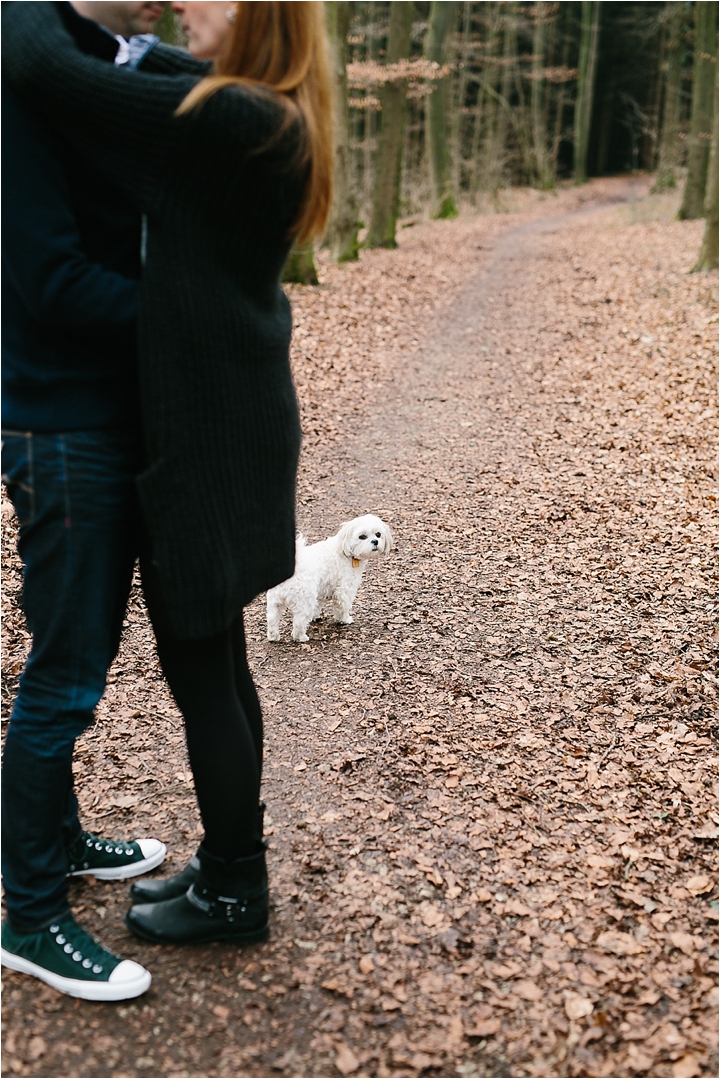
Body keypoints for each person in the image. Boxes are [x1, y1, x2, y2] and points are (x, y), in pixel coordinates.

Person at [2, 0, 334, 955]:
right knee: (218, 666)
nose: (183, 1)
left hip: (206, 441)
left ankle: (236, 887)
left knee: (205, 671)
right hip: (231, 424)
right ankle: (232, 866)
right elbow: (118, 67)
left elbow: (56, 68)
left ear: (260, 16)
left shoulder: (230, 117)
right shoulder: (264, 106)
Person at [0, 2, 198, 1002]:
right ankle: (30, 914)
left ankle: (62, 840)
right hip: (58, 422)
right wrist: (192, 311)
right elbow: (47, 277)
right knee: (65, 671)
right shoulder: (27, 69)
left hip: (111, 414)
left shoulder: (113, 63)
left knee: (78, 651)